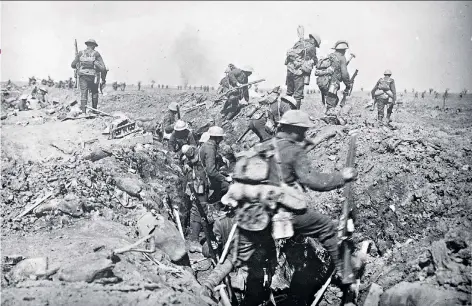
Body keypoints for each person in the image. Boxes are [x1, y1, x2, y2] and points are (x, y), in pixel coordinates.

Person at [201, 110, 358, 305]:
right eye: (302, 131)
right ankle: (346, 276)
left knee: (237, 258)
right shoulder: (293, 150)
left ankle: (208, 286)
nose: (304, 135)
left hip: (252, 215)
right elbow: (313, 180)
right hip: (280, 213)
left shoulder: (263, 146)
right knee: (326, 227)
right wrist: (342, 177)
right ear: (294, 131)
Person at [71, 39, 107, 113]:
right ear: (93, 45)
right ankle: (94, 110)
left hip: (82, 76)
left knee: (84, 93)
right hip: (93, 76)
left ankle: (83, 112)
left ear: (87, 45)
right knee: (95, 92)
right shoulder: (96, 54)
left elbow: (73, 65)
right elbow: (103, 68)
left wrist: (78, 65)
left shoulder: (81, 53)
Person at [285, 33, 321, 109]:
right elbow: (314, 59)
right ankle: (296, 114)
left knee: (289, 93)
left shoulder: (299, 42)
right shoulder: (312, 47)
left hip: (289, 70)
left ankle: (285, 111)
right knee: (298, 95)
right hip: (299, 72)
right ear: (314, 41)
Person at [316, 40, 351, 116]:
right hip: (333, 83)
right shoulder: (342, 58)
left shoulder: (330, 56)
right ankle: (329, 121)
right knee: (332, 102)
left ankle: (327, 116)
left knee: (331, 101)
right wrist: (348, 84)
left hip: (323, 82)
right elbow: (344, 74)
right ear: (344, 50)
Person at [199, 126, 230, 203]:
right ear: (217, 138)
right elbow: (211, 171)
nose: (222, 139)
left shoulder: (208, 145)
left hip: (202, 177)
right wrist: (224, 178)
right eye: (221, 137)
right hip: (204, 180)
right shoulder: (210, 149)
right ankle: (217, 204)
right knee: (227, 186)